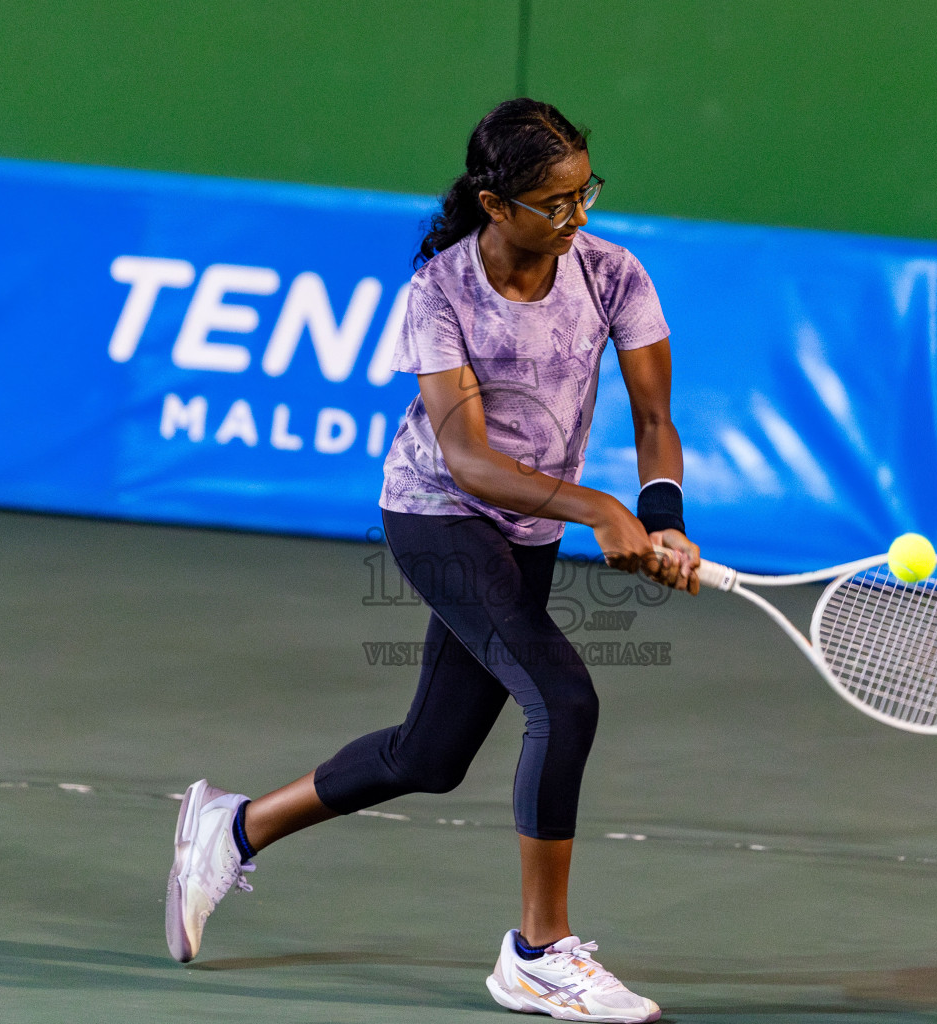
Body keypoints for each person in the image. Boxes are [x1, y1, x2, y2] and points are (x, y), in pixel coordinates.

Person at [164, 98, 700, 1024]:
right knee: (563, 699)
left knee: (432, 756)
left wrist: (661, 515)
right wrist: (598, 509)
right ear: (497, 206)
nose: (578, 219)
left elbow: (655, 420)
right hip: (439, 515)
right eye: (555, 203)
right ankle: (538, 956)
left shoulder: (613, 273)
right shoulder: (440, 294)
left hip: (525, 529)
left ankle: (234, 827)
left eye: (586, 194)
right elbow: (470, 461)